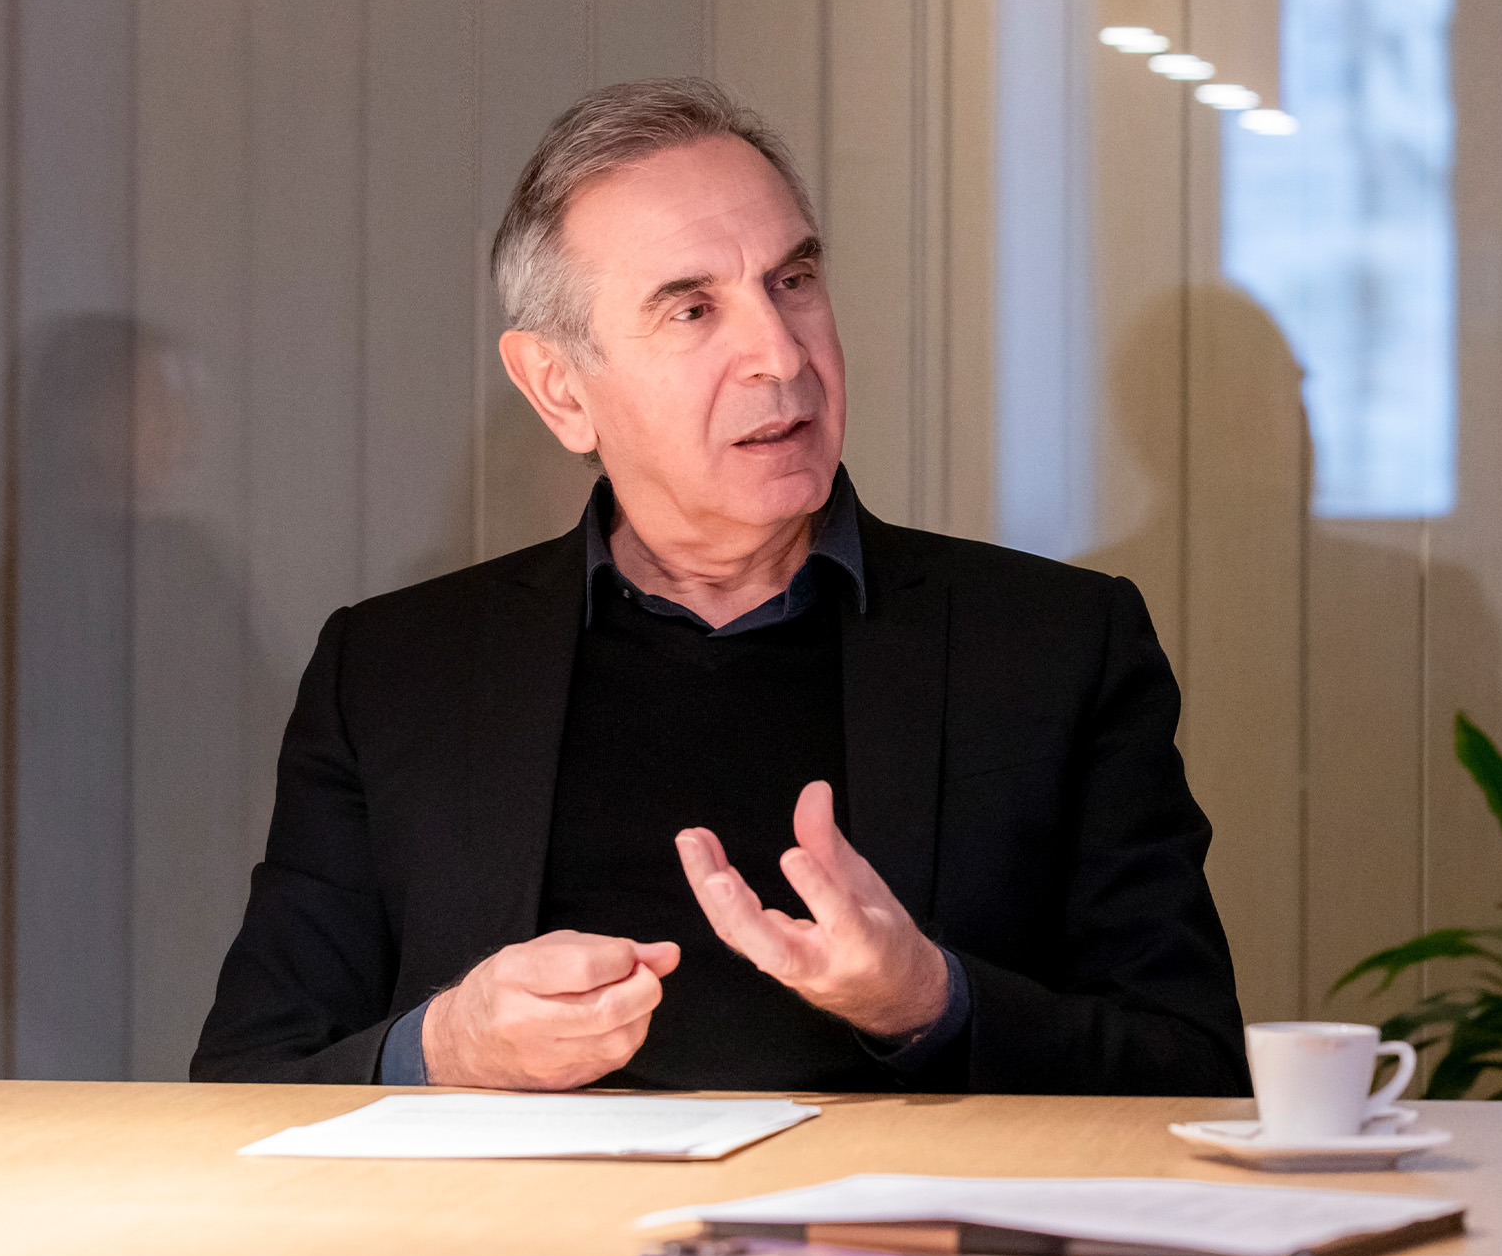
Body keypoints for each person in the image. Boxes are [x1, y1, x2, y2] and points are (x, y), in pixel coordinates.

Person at [192, 78, 1247, 1095]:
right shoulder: (395, 672)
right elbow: (248, 1076)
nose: (780, 354)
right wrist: (450, 1047)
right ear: (560, 388)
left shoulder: (1057, 648)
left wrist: (933, 1000)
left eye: (793, 281)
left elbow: (1193, 1069)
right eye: (692, 309)